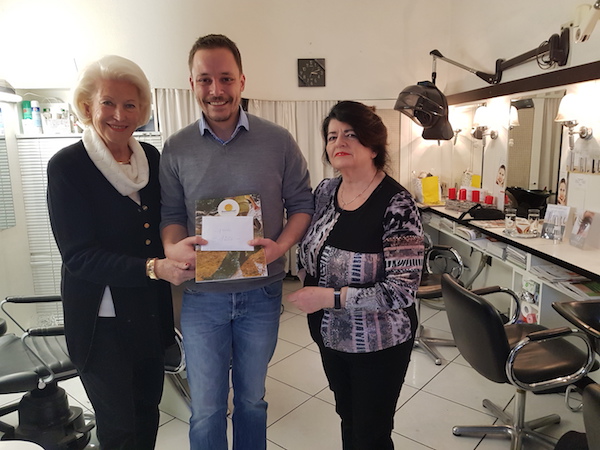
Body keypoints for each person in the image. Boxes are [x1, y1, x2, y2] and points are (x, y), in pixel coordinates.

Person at [159, 34, 314, 450]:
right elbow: (170, 216)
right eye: (205, 79)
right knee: (206, 408)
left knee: (251, 401)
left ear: (242, 81)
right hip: (201, 298)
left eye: (226, 78)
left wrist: (280, 246)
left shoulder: (278, 140)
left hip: (261, 294)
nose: (216, 90)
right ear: (192, 84)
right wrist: (173, 248)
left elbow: (302, 205)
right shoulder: (175, 148)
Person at [47, 55, 194, 449]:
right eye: (108, 103)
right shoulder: (68, 166)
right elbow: (78, 256)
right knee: (118, 428)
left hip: (148, 314)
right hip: (102, 323)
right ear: (87, 106)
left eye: (130, 104)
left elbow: (167, 221)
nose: (119, 114)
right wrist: (154, 267)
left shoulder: (151, 159)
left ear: (142, 110)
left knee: (147, 415)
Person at [288, 101, 424, 450]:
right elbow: (308, 250)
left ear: (373, 146)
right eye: (332, 136)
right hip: (329, 335)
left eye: (350, 134)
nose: (339, 142)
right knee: (348, 417)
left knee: (370, 434)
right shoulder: (325, 192)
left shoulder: (397, 204)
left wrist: (329, 297)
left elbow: (402, 291)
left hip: (378, 343)